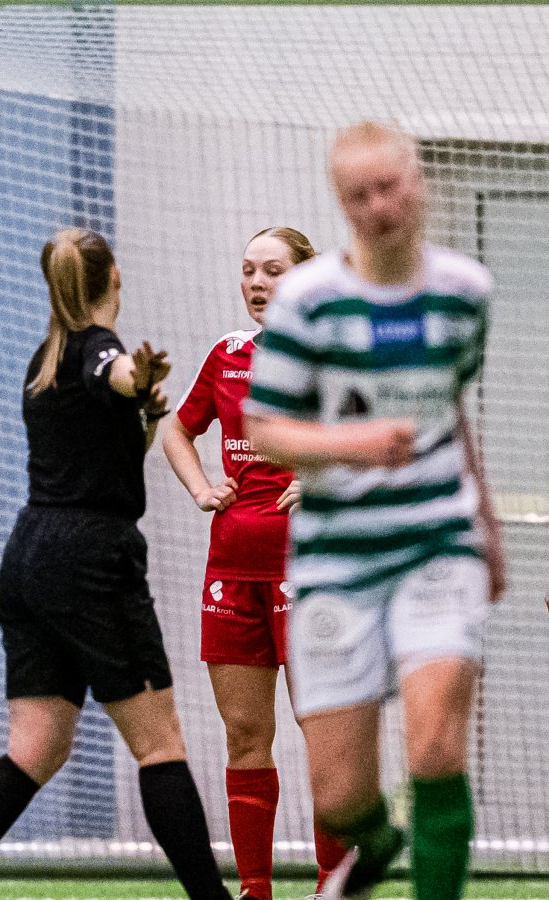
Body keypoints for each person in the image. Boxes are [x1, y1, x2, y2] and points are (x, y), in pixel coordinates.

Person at [0, 228, 231, 900]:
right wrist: (137, 378)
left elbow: (108, 439)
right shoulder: (99, 350)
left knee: (36, 749)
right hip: (90, 562)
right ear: (114, 275)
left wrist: (144, 409)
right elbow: (114, 371)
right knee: (159, 744)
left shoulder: (46, 358)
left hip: (28, 557)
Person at [246, 122, 503, 900]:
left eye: (391, 187)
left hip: (437, 543)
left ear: (418, 183)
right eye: (360, 195)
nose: (379, 206)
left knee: (434, 747)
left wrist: (485, 529)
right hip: (336, 558)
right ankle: (377, 839)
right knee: (340, 797)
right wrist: (357, 444)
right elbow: (264, 429)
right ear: (341, 205)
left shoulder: (465, 294)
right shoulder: (307, 302)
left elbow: (452, 408)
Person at [162, 227, 347, 899]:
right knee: (244, 735)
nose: (257, 282)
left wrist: (325, 478)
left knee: (326, 737)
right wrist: (201, 488)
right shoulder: (228, 354)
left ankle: (333, 882)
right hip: (231, 568)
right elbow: (176, 428)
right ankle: (256, 888)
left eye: (272, 270)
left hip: (313, 571)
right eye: (248, 271)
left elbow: (382, 443)